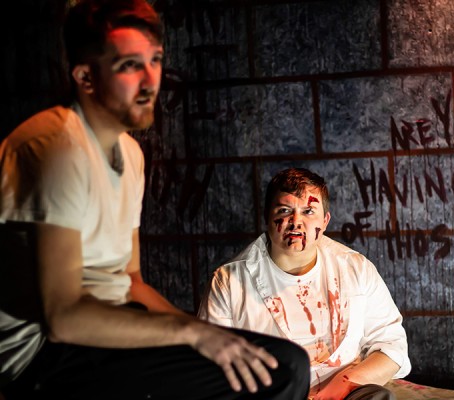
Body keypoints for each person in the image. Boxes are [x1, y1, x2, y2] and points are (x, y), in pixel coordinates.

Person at [0, 1, 310, 399]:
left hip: (108, 331)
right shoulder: (56, 146)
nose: (150, 81)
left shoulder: (130, 154)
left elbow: (131, 281)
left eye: (156, 60)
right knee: (281, 371)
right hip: (42, 357)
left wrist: (209, 333)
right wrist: (191, 333)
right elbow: (63, 318)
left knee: (272, 362)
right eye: (130, 65)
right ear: (86, 77)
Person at [200, 167, 412, 400]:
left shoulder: (356, 269)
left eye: (308, 211)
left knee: (378, 396)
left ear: (325, 220)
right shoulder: (229, 282)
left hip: (344, 394)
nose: (296, 222)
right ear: (267, 217)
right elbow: (210, 367)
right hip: (269, 395)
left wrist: (341, 386)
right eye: (284, 210)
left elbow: (392, 347)